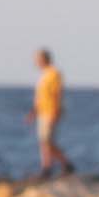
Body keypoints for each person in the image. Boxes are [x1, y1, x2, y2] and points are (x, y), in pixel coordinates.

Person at [31, 50, 70, 178]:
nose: (36, 62)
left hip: (50, 111)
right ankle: (47, 166)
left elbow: (57, 94)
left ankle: (63, 164)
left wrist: (55, 111)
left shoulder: (54, 74)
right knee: (44, 141)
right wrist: (34, 111)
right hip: (42, 112)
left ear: (44, 59)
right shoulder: (44, 75)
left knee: (48, 141)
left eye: (38, 59)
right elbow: (40, 96)